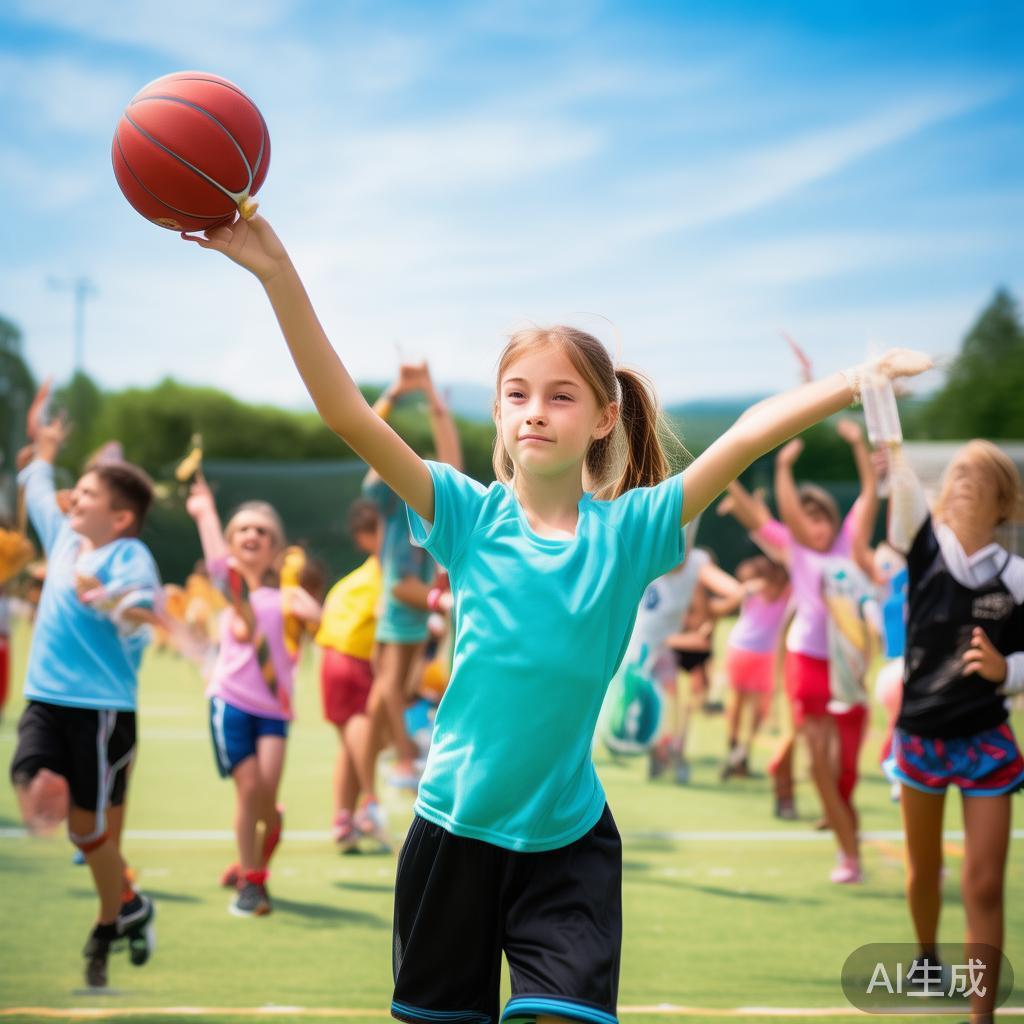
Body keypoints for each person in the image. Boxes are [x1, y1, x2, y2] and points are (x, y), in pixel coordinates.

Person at [184, 210, 928, 1024]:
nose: (535, 410)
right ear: (500, 415)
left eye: (560, 396)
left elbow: (744, 439)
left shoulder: (635, 530)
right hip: (452, 834)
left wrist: (857, 382)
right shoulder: (465, 514)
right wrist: (276, 270)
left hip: (569, 845)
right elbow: (347, 414)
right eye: (517, 394)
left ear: (604, 418)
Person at [8, 400, 158, 988]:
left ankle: (116, 914)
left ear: (119, 518)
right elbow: (42, 488)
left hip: (101, 712)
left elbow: (142, 616)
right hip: (44, 697)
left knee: (86, 832)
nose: (76, 498)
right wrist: (43, 449)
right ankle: (119, 909)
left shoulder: (130, 556)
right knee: (31, 775)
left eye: (89, 494)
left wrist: (107, 598)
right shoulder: (64, 540)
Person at [885, 441, 1024, 1020]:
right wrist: (880, 399)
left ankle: (981, 1014)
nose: (965, 480)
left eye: (980, 475)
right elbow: (895, 466)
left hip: (987, 745)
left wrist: (1007, 670)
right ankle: (924, 955)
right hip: (918, 739)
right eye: (957, 473)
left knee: (985, 885)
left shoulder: (1017, 577)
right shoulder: (922, 548)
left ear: (1005, 504)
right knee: (923, 874)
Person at [718, 418, 878, 881]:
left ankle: (846, 834)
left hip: (848, 666)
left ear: (833, 519)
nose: (815, 525)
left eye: (821, 516)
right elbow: (779, 513)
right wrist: (784, 467)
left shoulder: (849, 545)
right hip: (807, 662)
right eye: (806, 519)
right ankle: (850, 856)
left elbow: (869, 492)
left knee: (845, 768)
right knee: (820, 765)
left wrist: (858, 446)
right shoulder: (797, 551)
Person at [185, 476, 322, 916]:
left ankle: (260, 842)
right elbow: (217, 562)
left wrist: (314, 615)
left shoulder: (289, 594)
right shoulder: (232, 588)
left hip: (275, 711)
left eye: (262, 532)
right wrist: (205, 512)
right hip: (231, 703)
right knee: (248, 792)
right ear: (231, 541)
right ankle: (253, 882)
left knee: (266, 799)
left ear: (276, 548)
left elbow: (325, 631)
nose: (252, 536)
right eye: (243, 529)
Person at [361, 363, 462, 795]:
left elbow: (452, 460)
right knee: (387, 689)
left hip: (414, 604)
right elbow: (365, 432)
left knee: (389, 697)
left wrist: (433, 397)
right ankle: (402, 759)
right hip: (401, 602)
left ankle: (369, 788)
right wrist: (396, 392)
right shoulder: (385, 495)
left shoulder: (435, 499)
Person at [315, 498, 385, 849]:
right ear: (365, 538)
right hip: (351, 659)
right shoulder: (384, 573)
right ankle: (370, 803)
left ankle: (345, 819)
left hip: (338, 657)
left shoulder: (360, 577)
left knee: (351, 741)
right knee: (363, 732)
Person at [720, 555, 791, 780]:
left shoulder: (789, 594)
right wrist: (748, 589)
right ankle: (732, 748)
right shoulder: (753, 590)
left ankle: (743, 753)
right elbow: (728, 603)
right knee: (737, 703)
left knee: (760, 710)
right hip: (741, 649)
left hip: (767, 656)